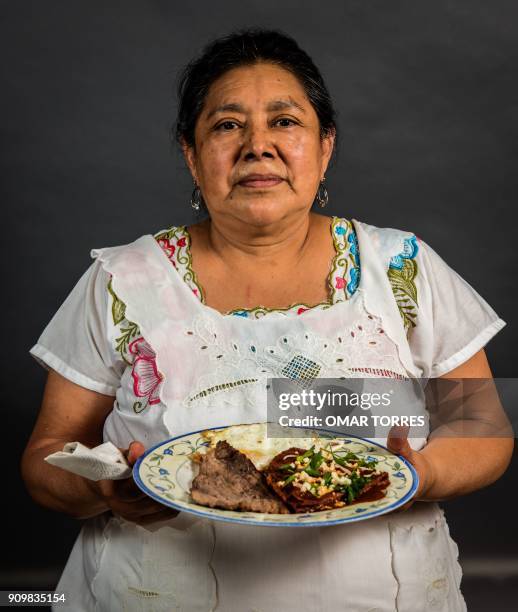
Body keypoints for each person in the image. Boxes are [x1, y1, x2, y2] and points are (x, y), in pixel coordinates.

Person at [22, 29, 513, 612]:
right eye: (227, 125)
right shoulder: (123, 281)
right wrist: (103, 489)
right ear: (191, 152)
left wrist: (418, 475)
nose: (258, 146)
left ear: (325, 146)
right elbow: (45, 456)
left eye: (285, 121)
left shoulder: (400, 268)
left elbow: (483, 424)